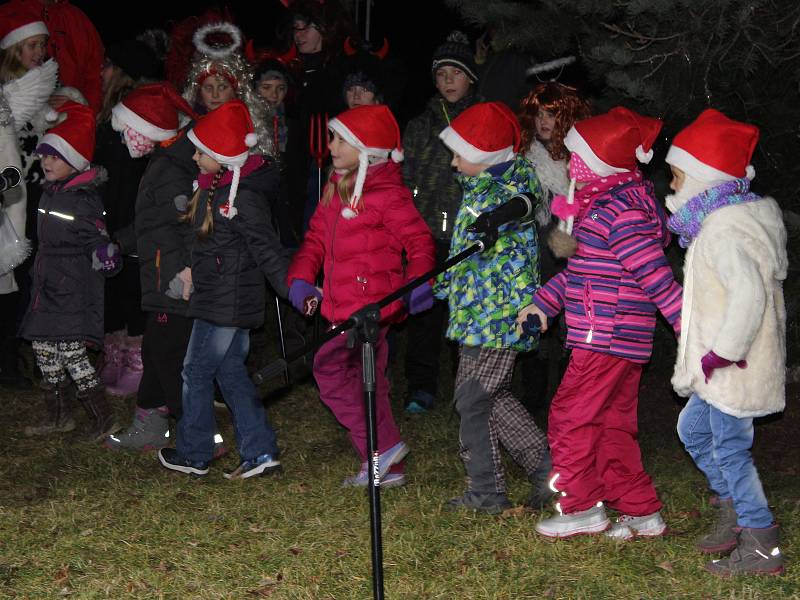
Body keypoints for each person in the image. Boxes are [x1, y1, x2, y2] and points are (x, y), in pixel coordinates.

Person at [517, 107, 682, 538]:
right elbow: (580, 273)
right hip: (616, 338)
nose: (571, 164)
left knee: (570, 416)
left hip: (604, 337)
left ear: (602, 164)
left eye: (579, 157)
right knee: (612, 424)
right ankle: (641, 511)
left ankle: (581, 506)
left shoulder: (618, 212)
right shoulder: (601, 206)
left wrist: (688, 326)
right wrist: (543, 304)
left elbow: (656, 277)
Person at [287, 104, 434, 488]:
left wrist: (418, 283)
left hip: (371, 308)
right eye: (334, 137)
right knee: (371, 383)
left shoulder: (387, 193)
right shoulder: (337, 184)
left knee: (330, 371)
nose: (331, 145)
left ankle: (380, 447)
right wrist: (302, 277)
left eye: (340, 140)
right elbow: (316, 238)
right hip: (340, 305)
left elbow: (419, 240)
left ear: (366, 149)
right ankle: (389, 467)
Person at [665, 109, 786, 576]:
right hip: (720, 366)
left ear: (701, 178)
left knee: (731, 448)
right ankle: (734, 507)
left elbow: (749, 295)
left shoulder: (723, 230)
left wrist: (722, 353)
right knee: (692, 431)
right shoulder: (721, 222)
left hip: (733, 366)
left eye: (677, 179)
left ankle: (760, 541)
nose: (672, 189)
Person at [158, 99, 289, 479]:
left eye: (202, 151)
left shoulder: (242, 197)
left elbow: (266, 247)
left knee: (195, 372)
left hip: (225, 303)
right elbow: (205, 243)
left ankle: (194, 452)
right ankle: (260, 452)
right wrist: (189, 270)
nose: (196, 157)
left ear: (224, 156)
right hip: (221, 297)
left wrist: (289, 287)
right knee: (230, 372)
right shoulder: (214, 187)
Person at [434, 102, 550, 513]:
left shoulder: (508, 192)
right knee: (490, 397)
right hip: (472, 316)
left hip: (501, 318)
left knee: (473, 399)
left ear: (485, 156)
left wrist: (497, 218)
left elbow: (523, 208)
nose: (452, 162)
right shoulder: (476, 190)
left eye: (459, 153)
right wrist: (441, 285)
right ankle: (549, 470)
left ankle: (486, 491)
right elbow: (465, 254)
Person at [104, 82, 200, 452]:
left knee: (167, 354)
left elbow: (191, 226)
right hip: (162, 275)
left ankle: (199, 433)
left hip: (174, 280)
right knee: (158, 351)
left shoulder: (173, 169)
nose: (125, 138)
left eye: (128, 130)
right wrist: (121, 243)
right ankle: (150, 422)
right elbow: (153, 223)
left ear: (147, 128)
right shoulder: (163, 163)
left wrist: (187, 270)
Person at [19, 100, 121, 442]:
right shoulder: (51, 193)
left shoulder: (82, 200)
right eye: (44, 155)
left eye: (55, 157)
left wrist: (105, 254)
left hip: (71, 289)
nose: (46, 162)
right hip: (47, 287)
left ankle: (102, 417)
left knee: (73, 355)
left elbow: (96, 237)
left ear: (74, 161)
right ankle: (59, 415)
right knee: (44, 349)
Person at [401, 30, 482, 413]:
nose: (448, 80)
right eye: (442, 73)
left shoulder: (485, 120)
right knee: (425, 311)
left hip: (469, 233)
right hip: (427, 230)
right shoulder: (419, 124)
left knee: (464, 313)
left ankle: (465, 386)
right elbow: (406, 175)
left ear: (471, 78)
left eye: (457, 72)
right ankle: (421, 386)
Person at [515, 82, 592, 409]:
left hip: (573, 254)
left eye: (552, 115)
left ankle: (565, 400)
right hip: (534, 254)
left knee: (568, 329)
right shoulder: (524, 158)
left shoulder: (582, 162)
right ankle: (532, 402)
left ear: (568, 118)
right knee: (536, 326)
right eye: (539, 114)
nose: (543, 122)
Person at [93, 39, 163, 397]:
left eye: (106, 65)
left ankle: (137, 356)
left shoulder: (135, 117)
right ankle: (115, 351)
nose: (100, 71)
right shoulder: (105, 114)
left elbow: (134, 174)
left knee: (132, 280)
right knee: (111, 284)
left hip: (131, 211)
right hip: (108, 206)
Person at [0, 3, 52, 390]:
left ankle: (30, 351)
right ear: (14, 50)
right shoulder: (5, 96)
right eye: (31, 45)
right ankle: (7, 358)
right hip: (10, 197)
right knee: (7, 278)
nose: (38, 53)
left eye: (42, 45)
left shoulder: (48, 90)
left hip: (41, 195)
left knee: (34, 279)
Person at [9, 0, 104, 113]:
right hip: (22, 118)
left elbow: (96, 73)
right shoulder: (10, 15)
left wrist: (85, 111)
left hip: (74, 117)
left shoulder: (76, 18)